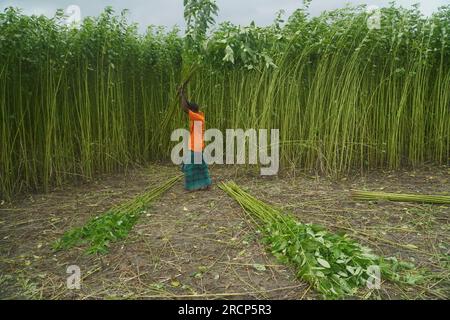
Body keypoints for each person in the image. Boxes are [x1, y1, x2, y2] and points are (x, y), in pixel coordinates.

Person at [178, 85, 212, 191]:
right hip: (196, 146)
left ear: (193, 111)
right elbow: (186, 105)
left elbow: (184, 108)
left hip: (196, 147)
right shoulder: (197, 115)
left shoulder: (198, 117)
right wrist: (183, 94)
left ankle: (195, 185)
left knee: (190, 167)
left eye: (190, 110)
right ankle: (204, 184)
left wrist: (181, 94)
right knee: (199, 166)